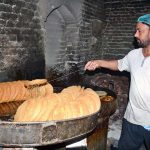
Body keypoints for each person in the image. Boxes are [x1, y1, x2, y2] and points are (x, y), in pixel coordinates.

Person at [84, 14, 150, 150]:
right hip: (131, 119)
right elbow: (119, 64)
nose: (136, 35)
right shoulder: (134, 55)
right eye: (135, 30)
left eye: (140, 31)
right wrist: (98, 63)